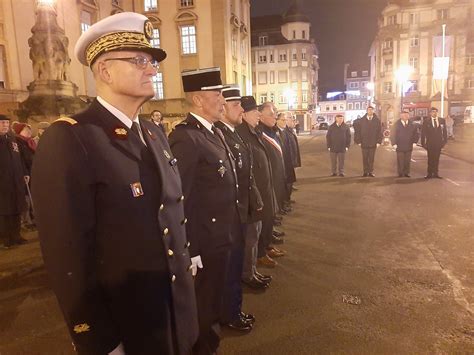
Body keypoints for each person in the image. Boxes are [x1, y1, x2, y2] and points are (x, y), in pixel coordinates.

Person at [31, 12, 198, 355]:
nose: (152, 69)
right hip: (128, 324)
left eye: (151, 61)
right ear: (104, 71)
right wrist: (97, 338)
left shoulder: (152, 132)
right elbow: (68, 256)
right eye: (139, 60)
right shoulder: (71, 138)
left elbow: (169, 216)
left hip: (173, 314)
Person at [168, 67, 240, 355]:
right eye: (217, 94)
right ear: (198, 100)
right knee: (202, 305)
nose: (222, 100)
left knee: (212, 301)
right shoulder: (186, 138)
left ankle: (210, 346)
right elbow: (181, 197)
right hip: (204, 240)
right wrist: (191, 247)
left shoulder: (212, 132)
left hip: (220, 234)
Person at [215, 85, 263, 332]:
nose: (241, 109)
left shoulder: (232, 133)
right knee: (230, 269)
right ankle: (229, 313)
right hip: (229, 214)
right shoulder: (220, 134)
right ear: (223, 109)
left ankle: (233, 310)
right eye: (236, 105)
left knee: (234, 267)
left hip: (240, 209)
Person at [236, 96, 278, 277]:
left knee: (256, 235)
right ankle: (248, 273)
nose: (258, 115)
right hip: (254, 196)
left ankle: (253, 269)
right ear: (244, 114)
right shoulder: (242, 135)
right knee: (251, 238)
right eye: (255, 112)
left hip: (262, 192)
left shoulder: (254, 131)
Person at [0, 114, 27, 249]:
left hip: (16, 179)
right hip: (3, 181)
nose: (5, 125)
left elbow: (19, 157)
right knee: (5, 211)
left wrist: (24, 173)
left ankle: (17, 236)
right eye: (2, 123)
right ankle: (6, 238)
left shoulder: (12, 138)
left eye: (6, 123)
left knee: (17, 208)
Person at [353, 106, 382, 177]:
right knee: (365, 158)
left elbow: (379, 132)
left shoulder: (377, 121)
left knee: (371, 158)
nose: (370, 111)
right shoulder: (361, 120)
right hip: (364, 143)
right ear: (367, 111)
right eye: (369, 110)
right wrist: (358, 141)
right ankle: (365, 172)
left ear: (373, 111)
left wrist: (379, 142)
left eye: (371, 110)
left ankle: (371, 171)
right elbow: (358, 132)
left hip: (373, 143)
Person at [421, 107, 447, 179]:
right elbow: (423, 133)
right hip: (430, 143)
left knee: (437, 159)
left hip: (438, 143)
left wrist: (444, 141)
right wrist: (423, 143)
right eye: (432, 112)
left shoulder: (441, 120)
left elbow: (444, 131)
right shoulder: (426, 121)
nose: (434, 113)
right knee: (430, 159)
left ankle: (436, 173)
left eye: (435, 112)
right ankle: (429, 173)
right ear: (430, 113)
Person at [391, 111, 419, 177]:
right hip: (399, 145)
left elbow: (416, 134)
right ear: (401, 116)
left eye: (407, 115)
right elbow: (392, 134)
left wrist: (415, 142)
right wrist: (394, 143)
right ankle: (400, 173)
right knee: (400, 160)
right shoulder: (396, 124)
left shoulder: (412, 124)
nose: (406, 117)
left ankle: (406, 172)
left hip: (409, 145)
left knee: (407, 160)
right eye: (404, 115)